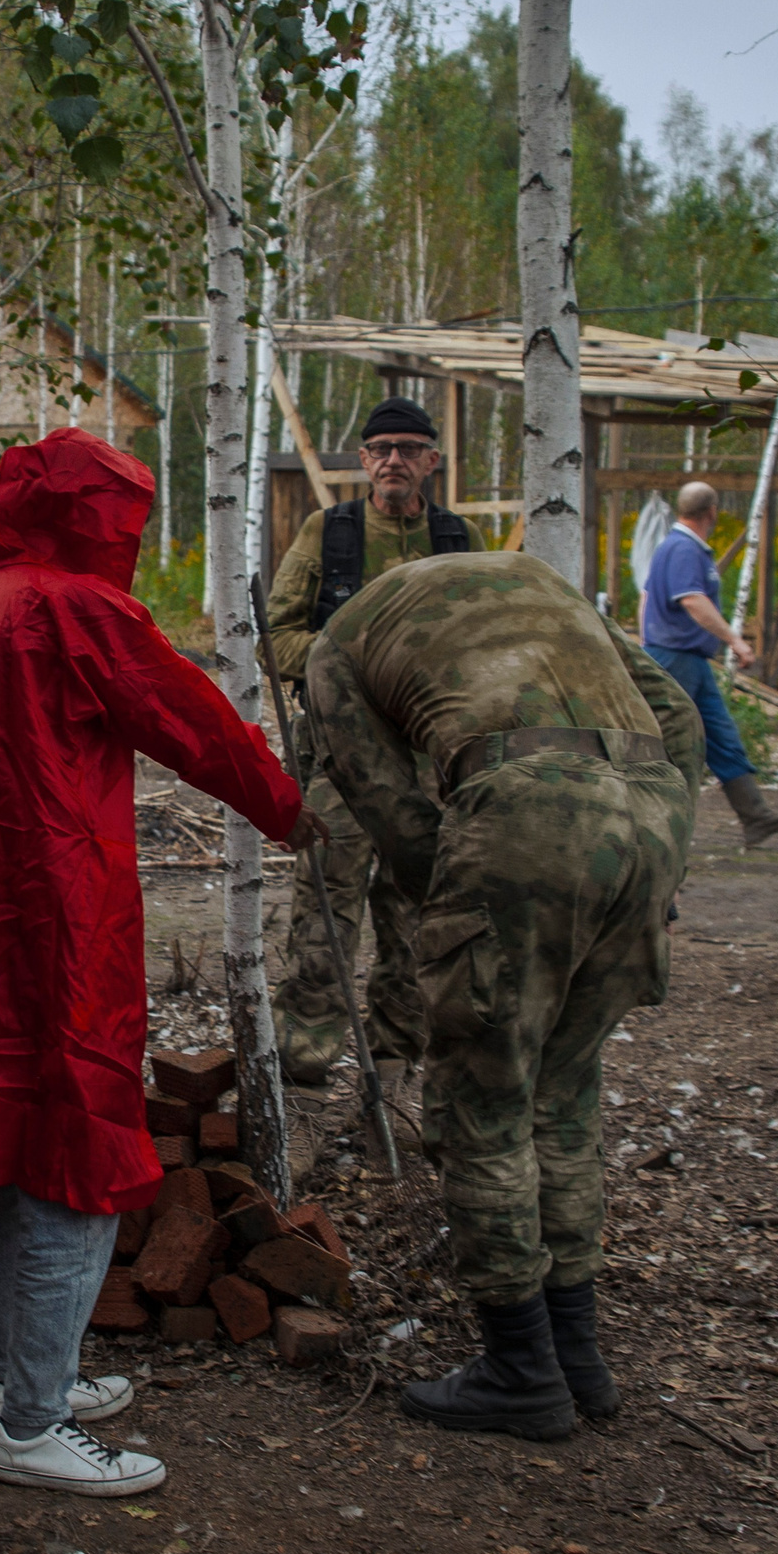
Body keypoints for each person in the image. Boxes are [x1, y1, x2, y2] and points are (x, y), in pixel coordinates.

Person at [0, 429, 317, 1496]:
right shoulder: (79, 612)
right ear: (93, 516)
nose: (125, 538)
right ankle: (30, 1422)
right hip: (64, 924)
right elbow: (195, 724)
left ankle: (13, 1380)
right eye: (122, 518)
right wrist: (297, 810)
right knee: (76, 1155)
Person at [305, 551, 704, 1441]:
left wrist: (449, 901)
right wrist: (668, 851)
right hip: (651, 809)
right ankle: (578, 1359)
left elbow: (378, 795)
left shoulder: (336, 645)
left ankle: (519, 1369)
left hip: (525, 809)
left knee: (482, 1100)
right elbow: (674, 711)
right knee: (563, 1096)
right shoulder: (545, 589)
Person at [265, 396, 482, 1176]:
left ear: (431, 461)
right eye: (380, 448)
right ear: (364, 461)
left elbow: (490, 645)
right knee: (323, 909)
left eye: (408, 448)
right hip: (343, 765)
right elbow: (277, 631)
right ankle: (305, 1085)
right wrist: (346, 660)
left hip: (431, 766)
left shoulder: (459, 540)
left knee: (417, 924)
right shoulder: (333, 534)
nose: (393, 460)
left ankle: (391, 1091)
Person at [640, 480, 778, 847]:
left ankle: (756, 817)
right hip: (675, 658)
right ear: (712, 512)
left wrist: (646, 638)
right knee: (666, 742)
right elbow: (693, 601)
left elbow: (646, 597)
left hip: (687, 659)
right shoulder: (683, 549)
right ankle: (649, 823)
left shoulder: (675, 547)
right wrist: (735, 640)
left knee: (721, 735)